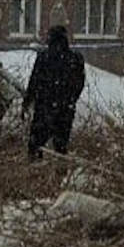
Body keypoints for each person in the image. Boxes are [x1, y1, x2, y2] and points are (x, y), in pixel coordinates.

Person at [22, 25, 86, 158]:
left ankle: (35, 169)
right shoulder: (75, 58)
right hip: (64, 110)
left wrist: (27, 102)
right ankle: (60, 173)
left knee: (36, 144)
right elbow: (79, 83)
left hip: (44, 108)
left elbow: (34, 82)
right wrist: (71, 100)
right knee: (61, 147)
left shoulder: (44, 57)